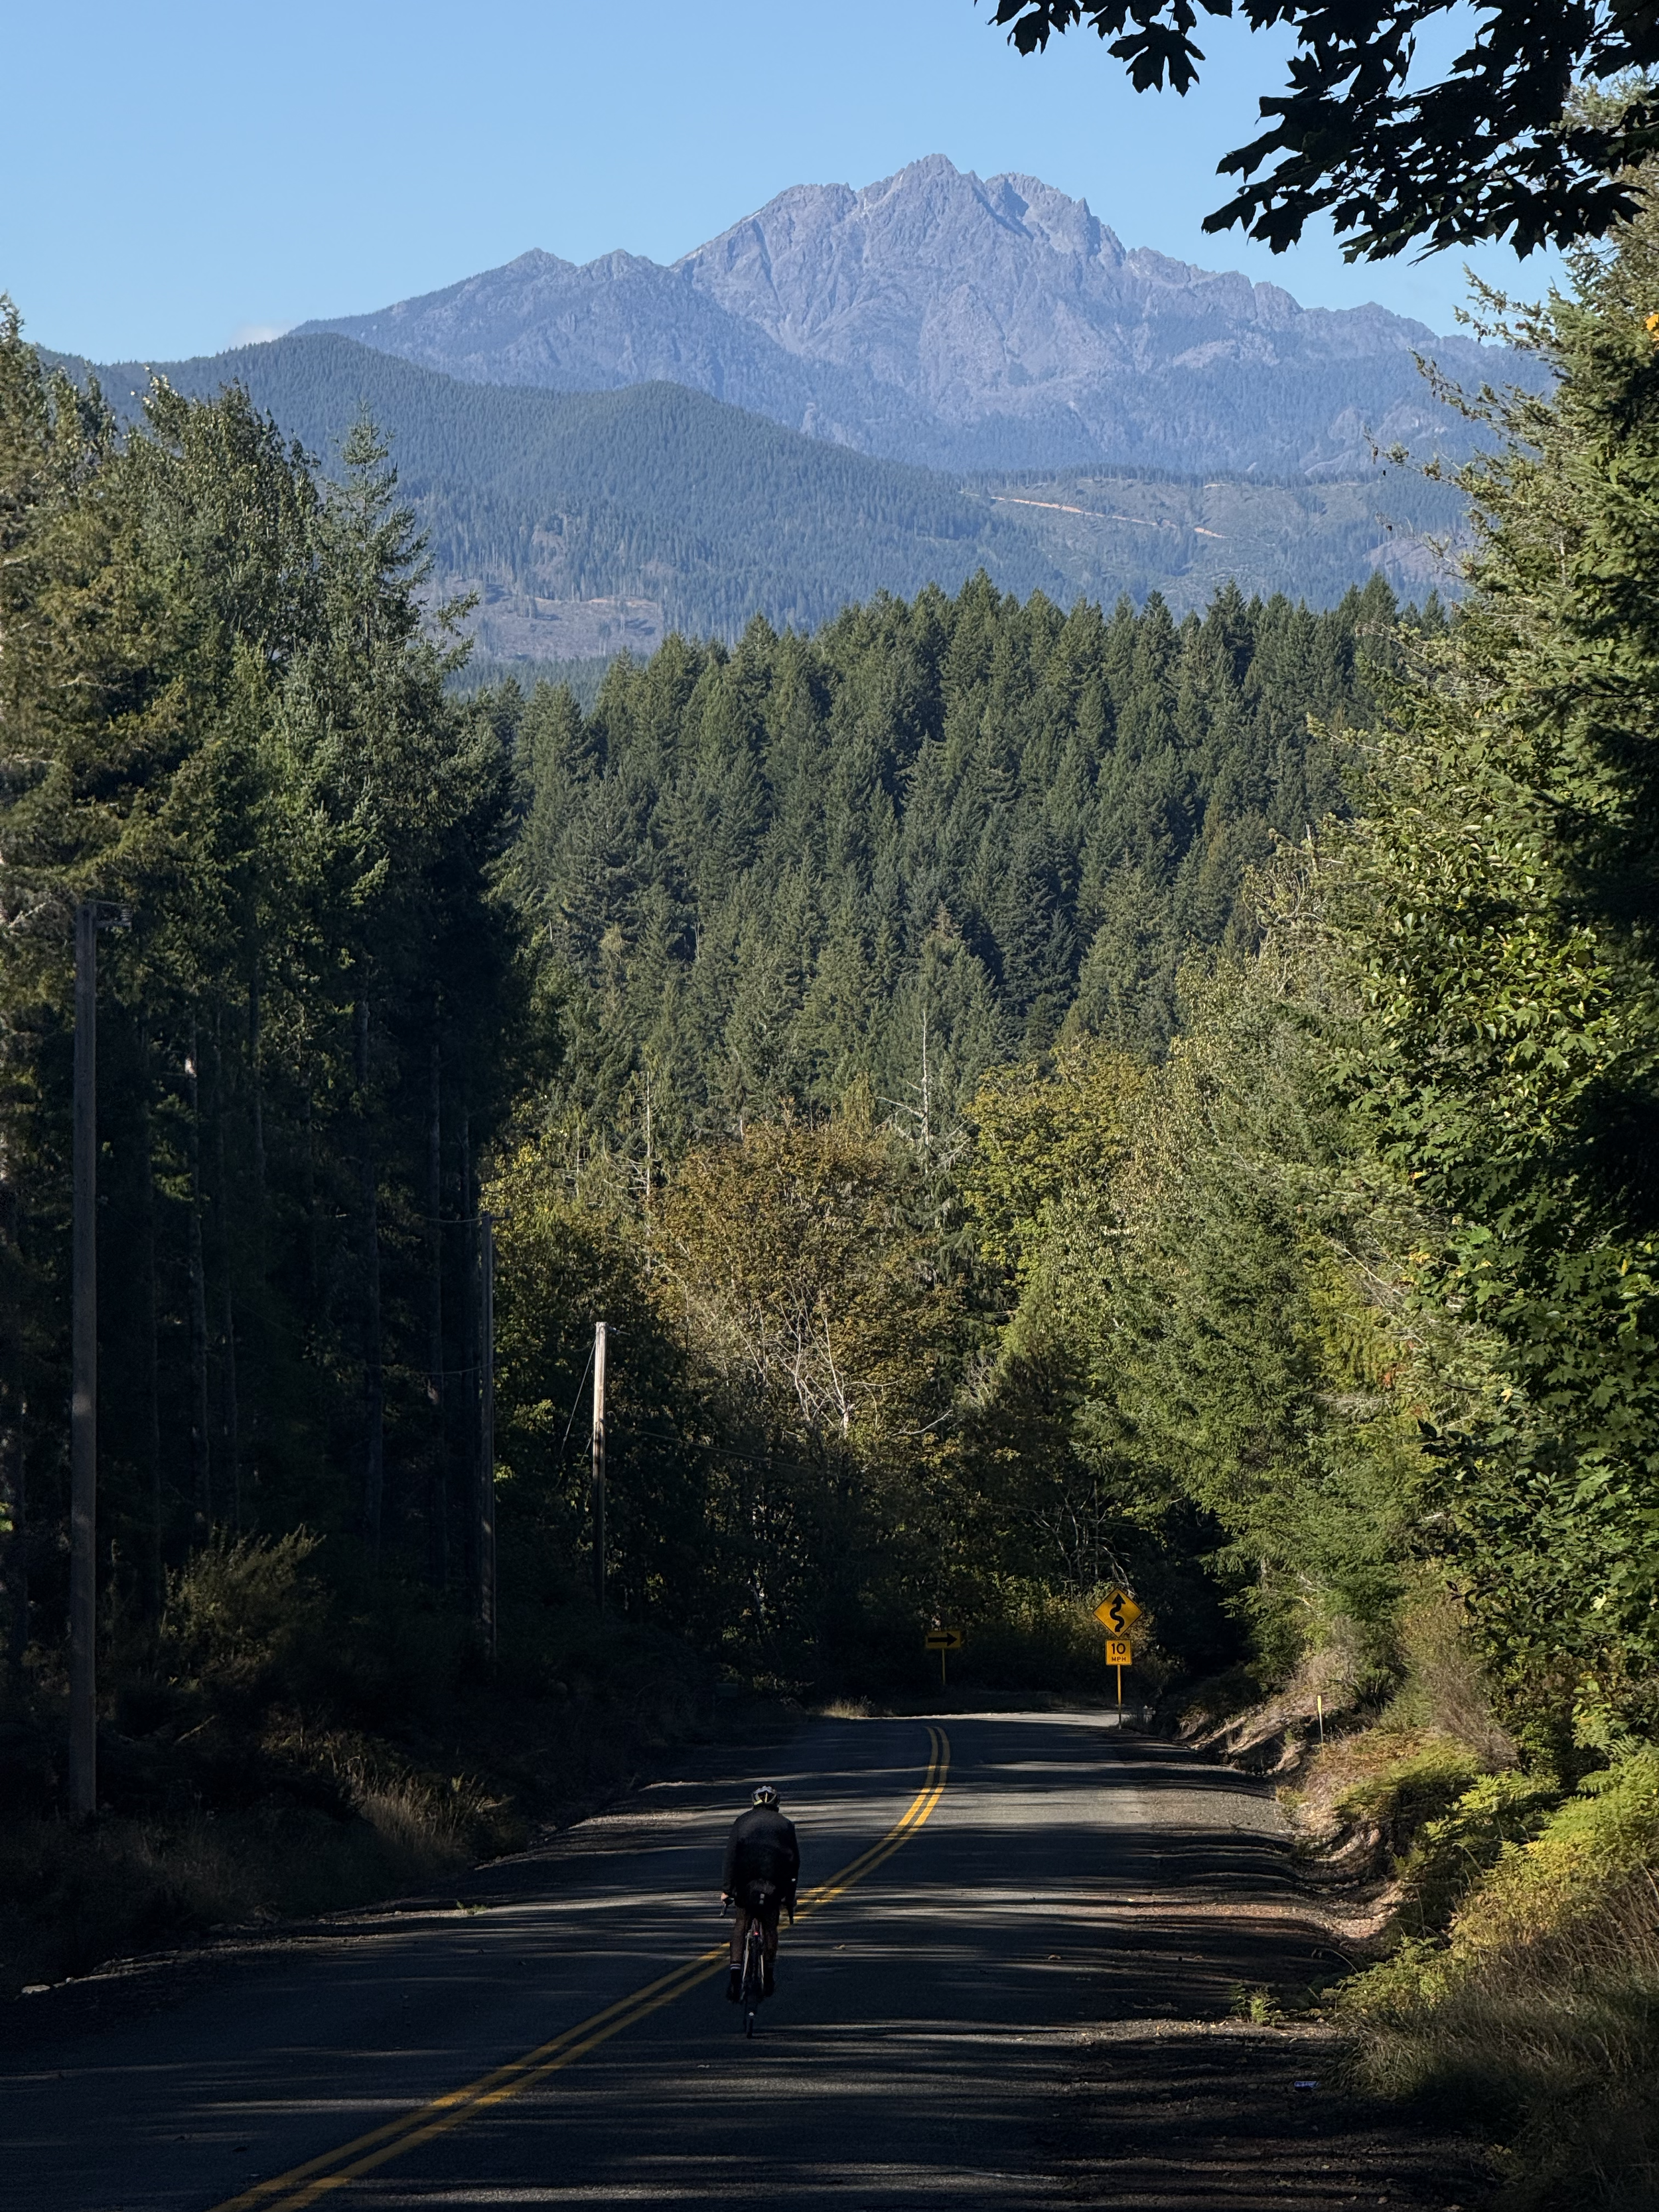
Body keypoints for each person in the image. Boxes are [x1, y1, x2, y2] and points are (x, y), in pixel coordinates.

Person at [721, 1782, 800, 2002]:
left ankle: (735, 1978)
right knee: (770, 1926)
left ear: (754, 1803)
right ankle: (770, 1975)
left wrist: (727, 1890)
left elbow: (730, 1857)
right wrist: (790, 1895)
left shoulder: (742, 1821)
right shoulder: (786, 1825)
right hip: (773, 1884)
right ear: (777, 1804)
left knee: (741, 1924)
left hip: (745, 1883)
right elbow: (794, 1862)